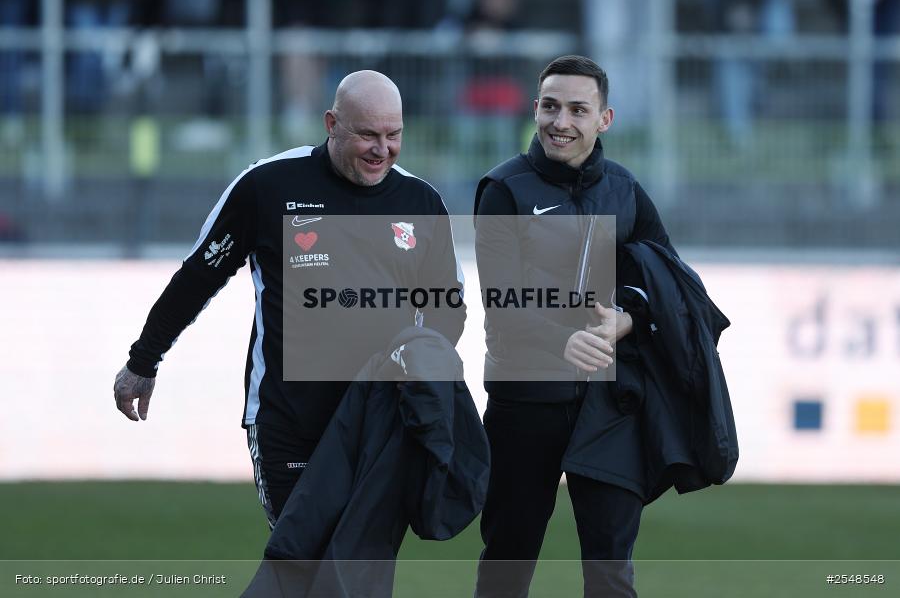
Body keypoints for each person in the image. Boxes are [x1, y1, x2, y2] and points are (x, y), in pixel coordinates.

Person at [113, 70, 467, 530]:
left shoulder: (421, 203)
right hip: (289, 424)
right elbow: (198, 276)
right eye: (367, 135)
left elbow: (447, 308)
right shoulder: (269, 186)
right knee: (301, 563)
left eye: (393, 135)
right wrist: (144, 360)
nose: (383, 149)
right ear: (331, 124)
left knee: (364, 570)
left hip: (381, 423)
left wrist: (417, 369)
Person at [472, 55, 676, 597]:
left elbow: (669, 283)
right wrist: (565, 339)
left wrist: (627, 321)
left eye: (578, 109)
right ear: (535, 109)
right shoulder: (504, 190)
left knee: (610, 571)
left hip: (607, 409)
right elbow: (501, 302)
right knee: (507, 563)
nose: (561, 121)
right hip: (524, 401)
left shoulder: (626, 190)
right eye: (550, 106)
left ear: (604, 119)